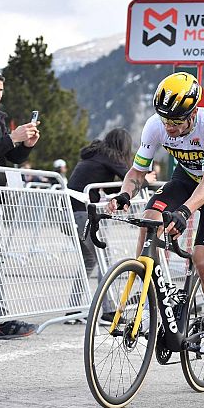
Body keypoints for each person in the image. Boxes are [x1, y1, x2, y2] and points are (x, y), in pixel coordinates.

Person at [107, 72, 204, 354]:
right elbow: (137, 172)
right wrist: (124, 194)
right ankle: (146, 286)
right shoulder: (156, 126)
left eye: (177, 121)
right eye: (165, 120)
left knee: (203, 260)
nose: (170, 127)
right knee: (149, 218)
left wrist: (185, 211)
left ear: (193, 113)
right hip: (185, 178)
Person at [65, 128, 134, 323]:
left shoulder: (96, 155)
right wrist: (146, 180)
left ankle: (73, 310)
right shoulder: (109, 156)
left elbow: (111, 185)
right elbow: (130, 178)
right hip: (82, 214)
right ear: (123, 146)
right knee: (105, 259)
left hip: (70, 213)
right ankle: (109, 310)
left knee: (89, 260)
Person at [0, 70, 42, 339]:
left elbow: (9, 155)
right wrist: (12, 138)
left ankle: (0, 317)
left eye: (0, 91)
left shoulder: (0, 118)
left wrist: (25, 145)